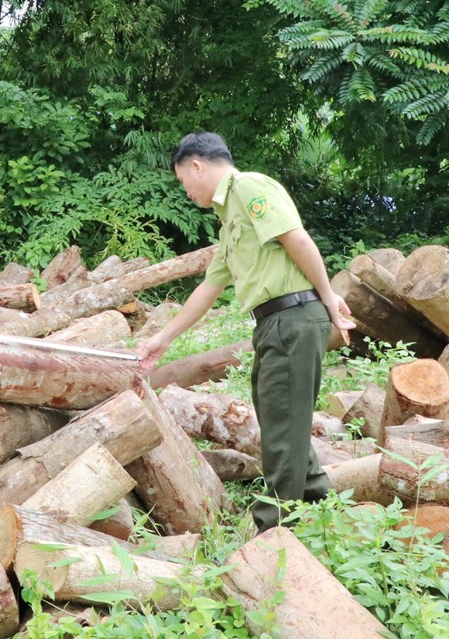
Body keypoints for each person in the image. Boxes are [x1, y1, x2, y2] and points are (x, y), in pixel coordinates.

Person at [137, 132, 355, 533]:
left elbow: (297, 239)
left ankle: (272, 533)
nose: (185, 192)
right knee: (282, 423)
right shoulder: (228, 222)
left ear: (196, 166)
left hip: (294, 317)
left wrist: (329, 297)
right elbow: (208, 289)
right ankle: (327, 513)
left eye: (183, 181)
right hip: (274, 323)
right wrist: (161, 338)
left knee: (281, 436)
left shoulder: (250, 187)